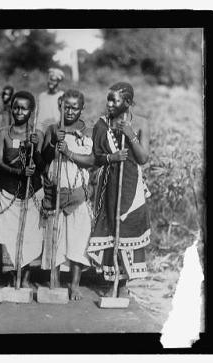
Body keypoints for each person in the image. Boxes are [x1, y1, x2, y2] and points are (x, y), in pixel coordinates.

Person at [87, 82, 151, 298]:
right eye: (109, 99)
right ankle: (112, 281)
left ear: (128, 102)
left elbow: (143, 158)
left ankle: (123, 287)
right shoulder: (102, 124)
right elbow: (96, 157)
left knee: (127, 229)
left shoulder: (141, 123)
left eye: (115, 100)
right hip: (109, 186)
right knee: (110, 229)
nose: (110, 104)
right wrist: (111, 158)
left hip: (131, 186)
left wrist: (130, 134)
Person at [41, 89, 94, 300]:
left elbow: (91, 161)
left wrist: (69, 152)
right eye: (66, 106)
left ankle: (74, 285)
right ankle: (54, 282)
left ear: (82, 108)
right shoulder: (53, 129)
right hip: (56, 193)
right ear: (60, 106)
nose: (70, 111)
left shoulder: (87, 131)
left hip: (77, 193)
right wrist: (54, 142)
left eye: (75, 107)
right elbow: (43, 158)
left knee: (78, 240)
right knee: (55, 238)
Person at [0, 91, 45, 288]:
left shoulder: (36, 135)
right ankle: (11, 278)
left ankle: (25, 278)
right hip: (8, 193)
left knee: (30, 236)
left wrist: (36, 151)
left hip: (31, 193)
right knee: (9, 236)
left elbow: (42, 167)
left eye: (24, 108)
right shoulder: (4, 133)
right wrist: (18, 171)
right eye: (16, 107)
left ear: (31, 111)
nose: (19, 111)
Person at [37, 68, 65, 133]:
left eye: (54, 80)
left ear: (58, 82)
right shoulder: (41, 96)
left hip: (53, 131)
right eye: (50, 79)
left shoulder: (62, 95)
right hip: (40, 130)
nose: (51, 82)